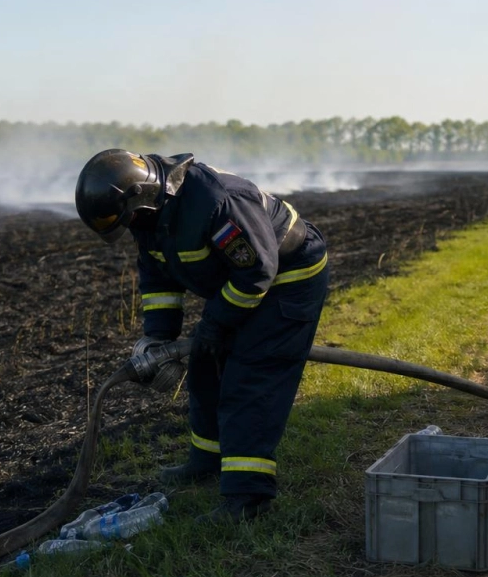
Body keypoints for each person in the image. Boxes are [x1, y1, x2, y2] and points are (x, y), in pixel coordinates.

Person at [74, 149, 329, 521]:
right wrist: (160, 338)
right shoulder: (149, 217)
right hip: (243, 280)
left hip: (287, 278)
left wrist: (215, 324)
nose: (131, 227)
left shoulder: (216, 202)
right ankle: (207, 459)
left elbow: (258, 271)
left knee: (250, 376)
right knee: (206, 363)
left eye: (129, 219)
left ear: (140, 197)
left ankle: (247, 496)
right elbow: (157, 276)